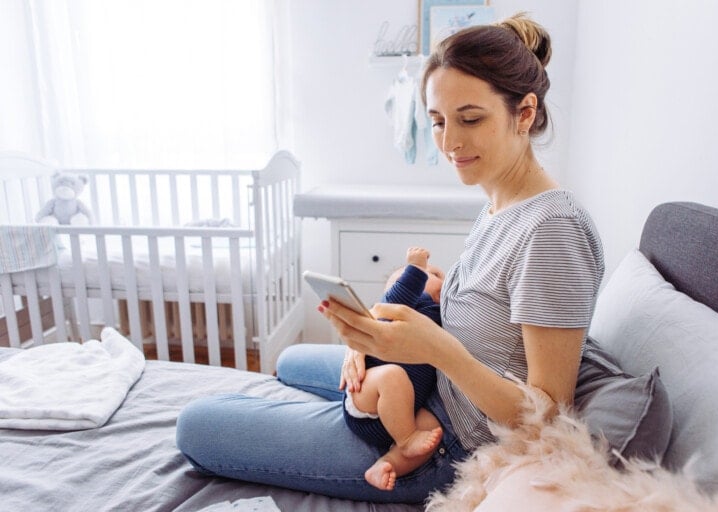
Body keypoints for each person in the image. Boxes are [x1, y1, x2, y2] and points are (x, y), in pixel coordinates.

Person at [176, 13, 604, 505]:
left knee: (196, 425)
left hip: (447, 442)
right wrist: (378, 337)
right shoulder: (500, 205)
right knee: (292, 359)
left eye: (470, 119)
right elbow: (490, 313)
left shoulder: (553, 230)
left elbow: (547, 418)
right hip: (429, 383)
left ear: (524, 113)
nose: (449, 142)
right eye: (438, 121)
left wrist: (435, 348)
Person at [345, 247, 444, 491]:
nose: (442, 278)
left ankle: (387, 464)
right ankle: (407, 439)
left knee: (434, 428)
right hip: (368, 399)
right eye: (433, 274)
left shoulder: (441, 314)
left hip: (402, 414)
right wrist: (417, 269)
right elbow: (399, 296)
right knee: (392, 375)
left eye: (441, 274)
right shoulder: (408, 305)